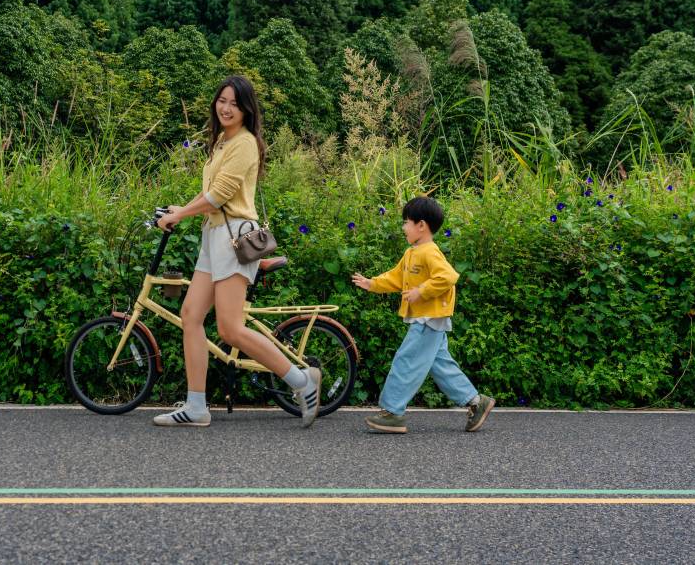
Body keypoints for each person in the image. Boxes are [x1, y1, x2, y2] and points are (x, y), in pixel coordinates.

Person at [153, 75, 321, 428]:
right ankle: (196, 405)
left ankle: (302, 381)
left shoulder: (244, 144)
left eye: (235, 103)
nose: (226, 108)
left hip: (234, 239)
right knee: (191, 314)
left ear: (247, 110)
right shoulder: (220, 143)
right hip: (212, 237)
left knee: (230, 328)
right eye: (222, 101)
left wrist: (181, 213)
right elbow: (209, 194)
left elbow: (220, 196)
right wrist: (178, 210)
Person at [352, 196, 495, 433]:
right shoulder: (411, 253)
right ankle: (476, 402)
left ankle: (393, 412)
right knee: (440, 365)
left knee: (405, 361)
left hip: (429, 319)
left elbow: (448, 277)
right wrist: (372, 284)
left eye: (406, 222)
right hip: (426, 318)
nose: (403, 227)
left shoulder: (430, 252)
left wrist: (422, 291)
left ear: (421, 225)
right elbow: (396, 277)